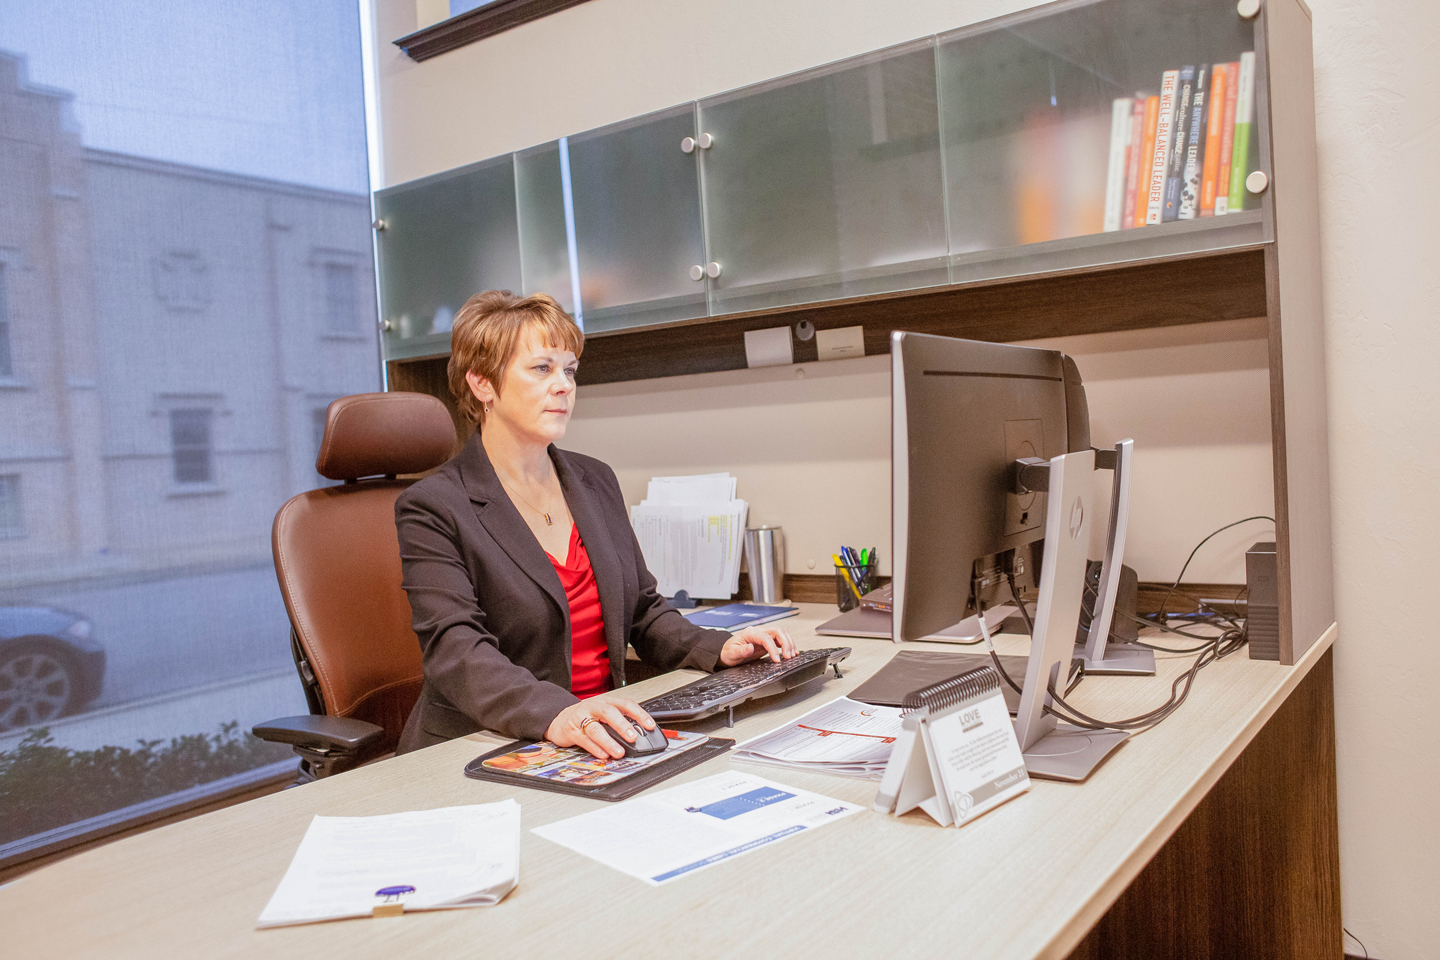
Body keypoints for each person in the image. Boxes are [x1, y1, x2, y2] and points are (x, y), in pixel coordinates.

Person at [394, 290, 796, 759]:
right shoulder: (432, 506)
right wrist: (558, 713)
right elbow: (457, 651)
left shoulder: (594, 480)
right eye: (542, 368)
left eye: (570, 370)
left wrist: (719, 647)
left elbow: (643, 611)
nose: (564, 385)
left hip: (600, 737)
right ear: (483, 383)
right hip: (490, 743)